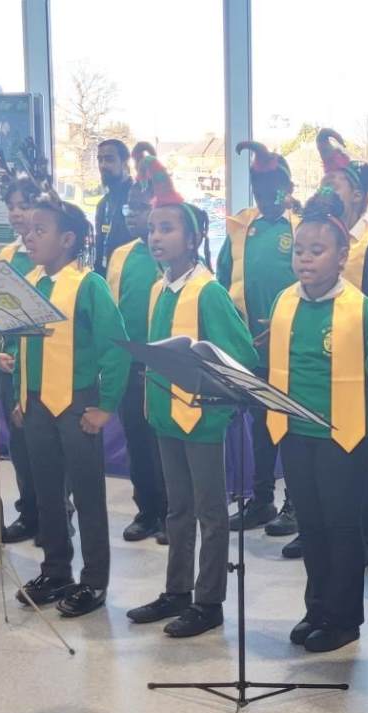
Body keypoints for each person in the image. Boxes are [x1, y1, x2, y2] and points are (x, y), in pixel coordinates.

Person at [127, 153, 258, 639]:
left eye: (166, 228)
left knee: (210, 511)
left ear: (194, 237)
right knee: (176, 508)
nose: (155, 237)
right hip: (166, 414)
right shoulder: (159, 290)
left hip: (201, 418)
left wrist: (208, 381)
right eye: (152, 229)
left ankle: (209, 600)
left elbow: (240, 354)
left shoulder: (207, 292)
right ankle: (176, 590)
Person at [267, 188, 368, 653]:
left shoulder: (363, 310)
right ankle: (316, 608)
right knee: (313, 528)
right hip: (295, 432)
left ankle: (343, 619)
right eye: (299, 250)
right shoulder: (285, 302)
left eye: (317, 251)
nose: (305, 259)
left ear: (342, 256)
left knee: (342, 529)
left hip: (344, 437)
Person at [4, 195, 129, 619]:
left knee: (88, 494)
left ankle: (94, 580)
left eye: (40, 230)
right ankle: (56, 571)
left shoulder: (88, 285)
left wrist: (106, 406)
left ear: (68, 239)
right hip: (36, 404)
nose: (29, 237)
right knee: (46, 492)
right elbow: (20, 343)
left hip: (77, 404)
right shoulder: (29, 283)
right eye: (28, 230)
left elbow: (115, 346)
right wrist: (20, 394)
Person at [219, 141, 300, 533]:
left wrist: (284, 326)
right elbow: (222, 284)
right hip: (249, 349)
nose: (266, 196)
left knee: (292, 428)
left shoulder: (300, 226)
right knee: (261, 426)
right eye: (259, 189)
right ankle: (262, 499)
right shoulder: (241, 228)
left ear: (288, 187)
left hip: (292, 347)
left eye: (273, 188)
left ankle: (295, 504)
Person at [105, 143, 169, 544]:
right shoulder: (120, 255)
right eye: (128, 207)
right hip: (130, 364)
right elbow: (113, 309)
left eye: (140, 208)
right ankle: (146, 510)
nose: (131, 214)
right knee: (138, 441)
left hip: (164, 365)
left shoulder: (171, 253)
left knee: (164, 444)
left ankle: (172, 513)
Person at [0, 165, 52, 546]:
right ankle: (29, 512)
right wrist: (0, 352)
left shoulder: (51, 254)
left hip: (43, 364)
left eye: (25, 204)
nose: (17, 213)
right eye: (12, 206)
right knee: (20, 445)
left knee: (46, 447)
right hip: (9, 365)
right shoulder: (5, 255)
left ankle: (55, 515)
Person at [93, 139, 136, 273]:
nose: (103, 165)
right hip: (106, 275)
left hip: (131, 274)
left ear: (124, 163)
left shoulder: (138, 201)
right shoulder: (103, 204)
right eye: (100, 160)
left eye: (109, 159)